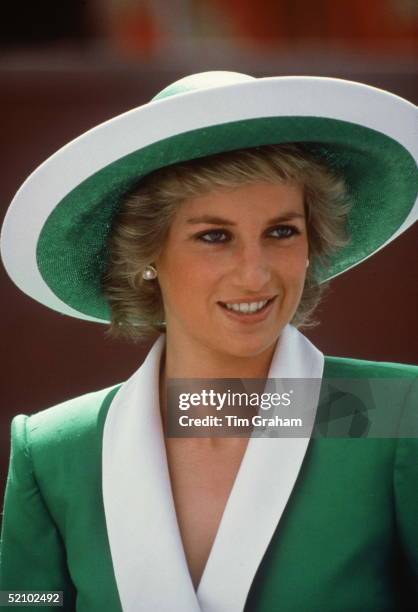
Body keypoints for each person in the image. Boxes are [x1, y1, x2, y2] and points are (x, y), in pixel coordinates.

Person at [0, 71, 417, 612]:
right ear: (148, 254)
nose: (255, 275)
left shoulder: (392, 412)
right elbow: (25, 600)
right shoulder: (59, 449)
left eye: (282, 231)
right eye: (214, 237)